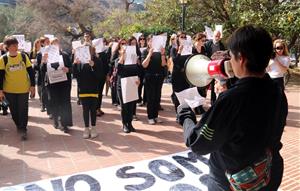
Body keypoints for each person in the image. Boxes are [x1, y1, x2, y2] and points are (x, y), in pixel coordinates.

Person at [177, 25, 288, 191]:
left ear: (241, 58)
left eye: (231, 56)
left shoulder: (231, 100)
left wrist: (185, 113)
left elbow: (197, 143)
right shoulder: (277, 91)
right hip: (268, 175)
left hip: (233, 182)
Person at [0, 36, 36, 140]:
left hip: (23, 89)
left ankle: (23, 129)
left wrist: (32, 86)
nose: (15, 47)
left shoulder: (23, 56)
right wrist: (1, 91)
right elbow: (0, 76)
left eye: (16, 45)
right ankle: (18, 124)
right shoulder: (4, 59)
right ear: (7, 47)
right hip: (9, 90)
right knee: (14, 111)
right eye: (13, 45)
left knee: (23, 110)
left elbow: (31, 71)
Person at [73, 45, 100, 139]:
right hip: (83, 88)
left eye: (88, 50)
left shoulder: (97, 60)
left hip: (94, 88)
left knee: (93, 109)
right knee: (85, 109)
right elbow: (75, 75)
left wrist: (93, 66)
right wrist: (75, 64)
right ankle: (86, 128)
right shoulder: (79, 61)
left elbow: (100, 76)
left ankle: (93, 128)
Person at [142, 34, 166, 125]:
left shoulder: (160, 52)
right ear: (148, 42)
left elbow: (163, 64)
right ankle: (150, 117)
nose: (153, 42)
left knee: (157, 97)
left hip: (159, 76)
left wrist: (163, 54)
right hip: (149, 77)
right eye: (151, 41)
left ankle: (156, 116)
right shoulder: (145, 51)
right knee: (150, 98)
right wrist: (149, 54)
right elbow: (144, 65)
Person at [205, 30, 226, 105]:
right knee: (207, 83)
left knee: (215, 83)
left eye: (219, 36)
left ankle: (213, 101)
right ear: (213, 36)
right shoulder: (208, 44)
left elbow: (223, 54)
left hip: (217, 66)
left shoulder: (221, 45)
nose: (217, 37)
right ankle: (200, 103)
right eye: (216, 36)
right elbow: (205, 54)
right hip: (209, 65)